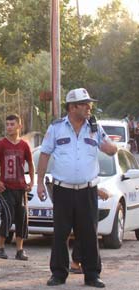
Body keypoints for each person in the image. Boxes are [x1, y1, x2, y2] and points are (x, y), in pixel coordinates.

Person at [37, 88, 117, 288]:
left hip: (87, 190)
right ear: (72, 107)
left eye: (89, 103)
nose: (89, 107)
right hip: (62, 189)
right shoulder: (56, 128)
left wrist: (104, 137)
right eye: (85, 103)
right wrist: (38, 183)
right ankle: (58, 273)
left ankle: (92, 275)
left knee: (89, 233)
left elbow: (110, 150)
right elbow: (45, 154)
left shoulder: (94, 128)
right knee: (60, 233)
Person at [0, 114, 34, 261]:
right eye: (7, 124)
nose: (9, 127)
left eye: (12, 124)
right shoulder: (2, 144)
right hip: (6, 188)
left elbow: (31, 164)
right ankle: (0, 247)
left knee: (22, 218)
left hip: (20, 188)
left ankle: (20, 250)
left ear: (20, 126)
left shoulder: (24, 145)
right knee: (7, 215)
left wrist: (31, 182)